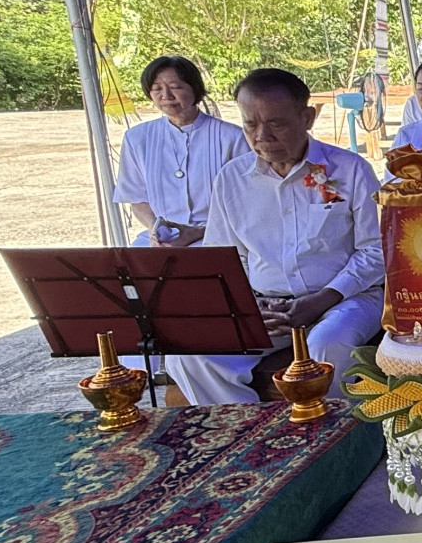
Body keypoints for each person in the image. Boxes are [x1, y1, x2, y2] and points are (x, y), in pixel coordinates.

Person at [164, 68, 383, 404]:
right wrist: (251, 303)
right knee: (190, 356)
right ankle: (250, 431)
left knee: (327, 345)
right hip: (268, 307)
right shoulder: (233, 178)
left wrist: (322, 299)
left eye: (276, 123)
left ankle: (341, 441)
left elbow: (376, 251)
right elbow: (226, 257)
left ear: (307, 117)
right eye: (250, 124)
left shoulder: (350, 169)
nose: (261, 135)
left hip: (345, 300)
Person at [114, 55, 249, 246]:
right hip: (162, 240)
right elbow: (137, 198)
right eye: (157, 89)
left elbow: (247, 201)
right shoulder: (137, 138)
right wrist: (155, 230)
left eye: (175, 87)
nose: (166, 96)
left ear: (195, 88)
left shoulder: (232, 138)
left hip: (219, 237)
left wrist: (197, 233)